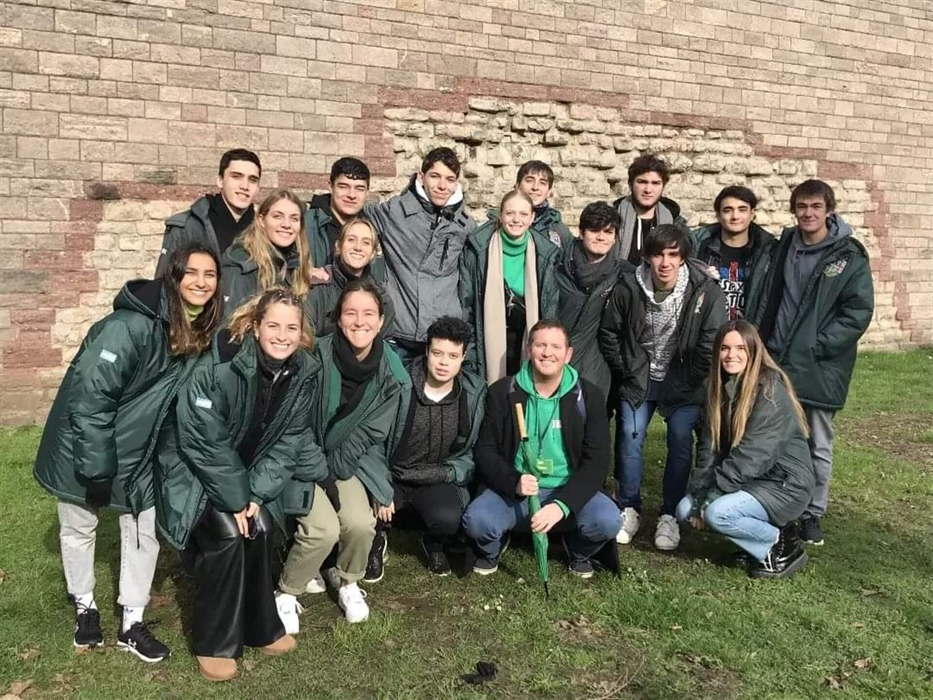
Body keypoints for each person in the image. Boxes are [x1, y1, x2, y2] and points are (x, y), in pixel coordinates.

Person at [33, 243, 223, 662]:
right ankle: (85, 606)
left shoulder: (199, 331)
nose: (201, 282)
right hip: (83, 444)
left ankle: (131, 621)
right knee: (79, 524)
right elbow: (90, 398)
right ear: (171, 276)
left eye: (210, 275)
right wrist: (98, 467)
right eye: (191, 272)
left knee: (144, 528)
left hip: (141, 450)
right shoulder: (129, 326)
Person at [154, 288, 325, 681]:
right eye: (274, 326)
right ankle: (213, 642)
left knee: (260, 527)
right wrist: (236, 499)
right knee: (228, 534)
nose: (282, 335)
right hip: (188, 468)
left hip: (240, 476)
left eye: (291, 328)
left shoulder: (303, 372)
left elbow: (289, 442)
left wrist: (255, 496)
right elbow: (201, 439)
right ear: (255, 325)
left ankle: (259, 626)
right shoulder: (221, 362)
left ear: (302, 333)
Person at [276, 278, 411, 627]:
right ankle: (288, 591)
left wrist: (334, 471)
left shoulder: (391, 373)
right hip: (301, 459)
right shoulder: (313, 357)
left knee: (361, 523)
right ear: (338, 319)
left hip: (343, 461)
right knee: (322, 529)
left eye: (369, 313)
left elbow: (370, 432)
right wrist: (320, 472)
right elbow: (295, 423)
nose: (359, 321)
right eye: (351, 313)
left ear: (381, 321)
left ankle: (347, 579)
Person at [748, 179, 874, 547]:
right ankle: (781, 505)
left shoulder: (848, 255)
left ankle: (812, 514)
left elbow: (858, 312)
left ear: (829, 210)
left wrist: (818, 345)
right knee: (776, 436)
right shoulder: (785, 244)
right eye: (801, 206)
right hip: (777, 358)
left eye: (815, 207)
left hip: (818, 364)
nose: (808, 213)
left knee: (818, 441)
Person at [599, 225, 726, 551]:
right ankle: (629, 506)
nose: (665, 263)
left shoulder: (704, 290)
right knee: (630, 436)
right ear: (647, 257)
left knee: (680, 439)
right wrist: (628, 370)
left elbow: (711, 341)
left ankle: (669, 514)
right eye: (658, 255)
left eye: (672, 255)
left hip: (683, 380)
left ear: (683, 258)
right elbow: (610, 333)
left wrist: (687, 379)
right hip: (640, 377)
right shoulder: (629, 287)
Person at [462, 320, 622, 579]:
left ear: (568, 354)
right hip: (516, 495)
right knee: (477, 521)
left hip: (566, 492)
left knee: (608, 520)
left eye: (556, 346)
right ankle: (493, 548)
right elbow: (485, 450)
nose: (548, 353)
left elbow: (598, 460)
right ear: (528, 349)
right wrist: (513, 482)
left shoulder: (589, 396)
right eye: (540, 345)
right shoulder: (503, 391)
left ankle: (578, 551)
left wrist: (562, 504)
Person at [676, 320, 814, 579]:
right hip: (750, 481)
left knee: (718, 513)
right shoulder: (717, 389)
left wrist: (712, 499)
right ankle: (752, 545)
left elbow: (752, 456)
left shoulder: (770, 391)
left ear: (753, 351)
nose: (732, 355)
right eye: (725, 348)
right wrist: (699, 498)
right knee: (684, 509)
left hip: (784, 483)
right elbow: (709, 449)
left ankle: (781, 543)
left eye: (741, 348)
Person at [364, 316, 486, 582]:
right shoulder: (398, 383)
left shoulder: (474, 393)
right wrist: (379, 484)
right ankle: (377, 538)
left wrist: (448, 473)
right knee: (366, 509)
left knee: (448, 517)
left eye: (453, 355)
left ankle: (433, 542)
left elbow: (472, 451)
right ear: (427, 351)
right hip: (393, 474)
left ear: (463, 356)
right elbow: (371, 440)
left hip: (436, 477)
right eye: (438, 353)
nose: (444, 362)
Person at [364, 147, 476, 362]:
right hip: (398, 335)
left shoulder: (465, 224)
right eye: (435, 176)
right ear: (421, 177)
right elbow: (351, 218)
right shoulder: (393, 212)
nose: (442, 186)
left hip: (441, 338)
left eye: (449, 179)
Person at [459, 189, 559, 383]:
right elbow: (466, 301)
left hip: (526, 337)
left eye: (523, 214)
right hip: (487, 340)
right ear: (500, 215)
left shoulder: (546, 254)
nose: (516, 220)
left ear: (532, 218)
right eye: (510, 213)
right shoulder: (478, 249)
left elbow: (550, 305)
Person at [555, 201, 633, 391]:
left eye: (608, 232)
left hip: (595, 362)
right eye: (594, 230)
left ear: (615, 238)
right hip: (554, 354)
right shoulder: (556, 266)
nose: (601, 237)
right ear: (581, 233)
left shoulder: (624, 274)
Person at [156, 149, 261, 275]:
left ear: (258, 187)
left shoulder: (264, 230)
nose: (245, 186)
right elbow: (163, 283)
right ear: (220, 181)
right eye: (236, 177)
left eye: (252, 180)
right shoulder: (187, 227)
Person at [691, 185, 776, 320]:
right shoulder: (699, 247)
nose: (735, 216)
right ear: (718, 215)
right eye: (728, 210)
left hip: (749, 335)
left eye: (742, 210)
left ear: (752, 214)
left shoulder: (768, 252)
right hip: (709, 334)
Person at [221, 189, 312, 314]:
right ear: (261, 221)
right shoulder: (242, 265)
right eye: (277, 216)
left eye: (294, 219)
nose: (287, 224)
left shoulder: (296, 265)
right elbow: (229, 324)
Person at [307, 218, 395, 338]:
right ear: (338, 247)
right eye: (351, 240)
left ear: (373, 253)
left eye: (366, 242)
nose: (358, 247)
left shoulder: (382, 300)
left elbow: (384, 348)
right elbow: (304, 341)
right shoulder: (316, 290)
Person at [306, 157, 384, 282]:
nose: (351, 195)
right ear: (331, 186)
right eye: (343, 186)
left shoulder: (376, 228)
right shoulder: (305, 225)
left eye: (359, 189)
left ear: (367, 192)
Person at [613, 153, 691, 265]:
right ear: (630, 184)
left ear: (663, 186)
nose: (648, 189)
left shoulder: (677, 225)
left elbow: (686, 264)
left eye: (655, 183)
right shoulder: (612, 220)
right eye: (642, 182)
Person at [514, 160, 574, 248]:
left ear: (549, 192)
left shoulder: (559, 230)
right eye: (529, 181)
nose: (535, 187)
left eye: (542, 183)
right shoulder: (498, 223)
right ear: (517, 186)